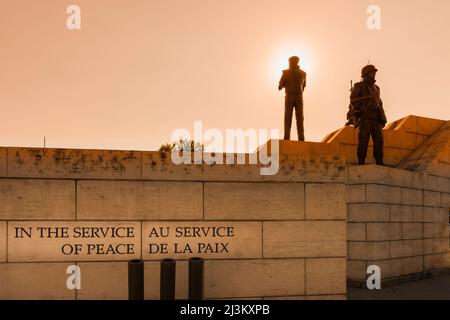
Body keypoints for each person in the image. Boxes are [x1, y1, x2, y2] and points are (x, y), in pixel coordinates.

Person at [349, 64, 387, 165]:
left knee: (379, 141)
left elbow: (380, 103)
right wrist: (367, 98)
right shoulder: (359, 86)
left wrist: (383, 117)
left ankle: (379, 161)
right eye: (372, 72)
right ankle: (361, 161)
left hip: (376, 118)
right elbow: (353, 99)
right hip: (365, 116)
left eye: (374, 72)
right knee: (363, 140)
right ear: (366, 74)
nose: (374, 74)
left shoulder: (377, 88)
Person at [278, 56, 307, 141]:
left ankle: (287, 137)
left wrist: (284, 84)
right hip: (299, 96)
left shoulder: (285, 73)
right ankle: (301, 138)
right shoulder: (303, 73)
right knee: (300, 118)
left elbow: (279, 87)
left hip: (290, 96)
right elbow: (304, 86)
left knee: (288, 118)